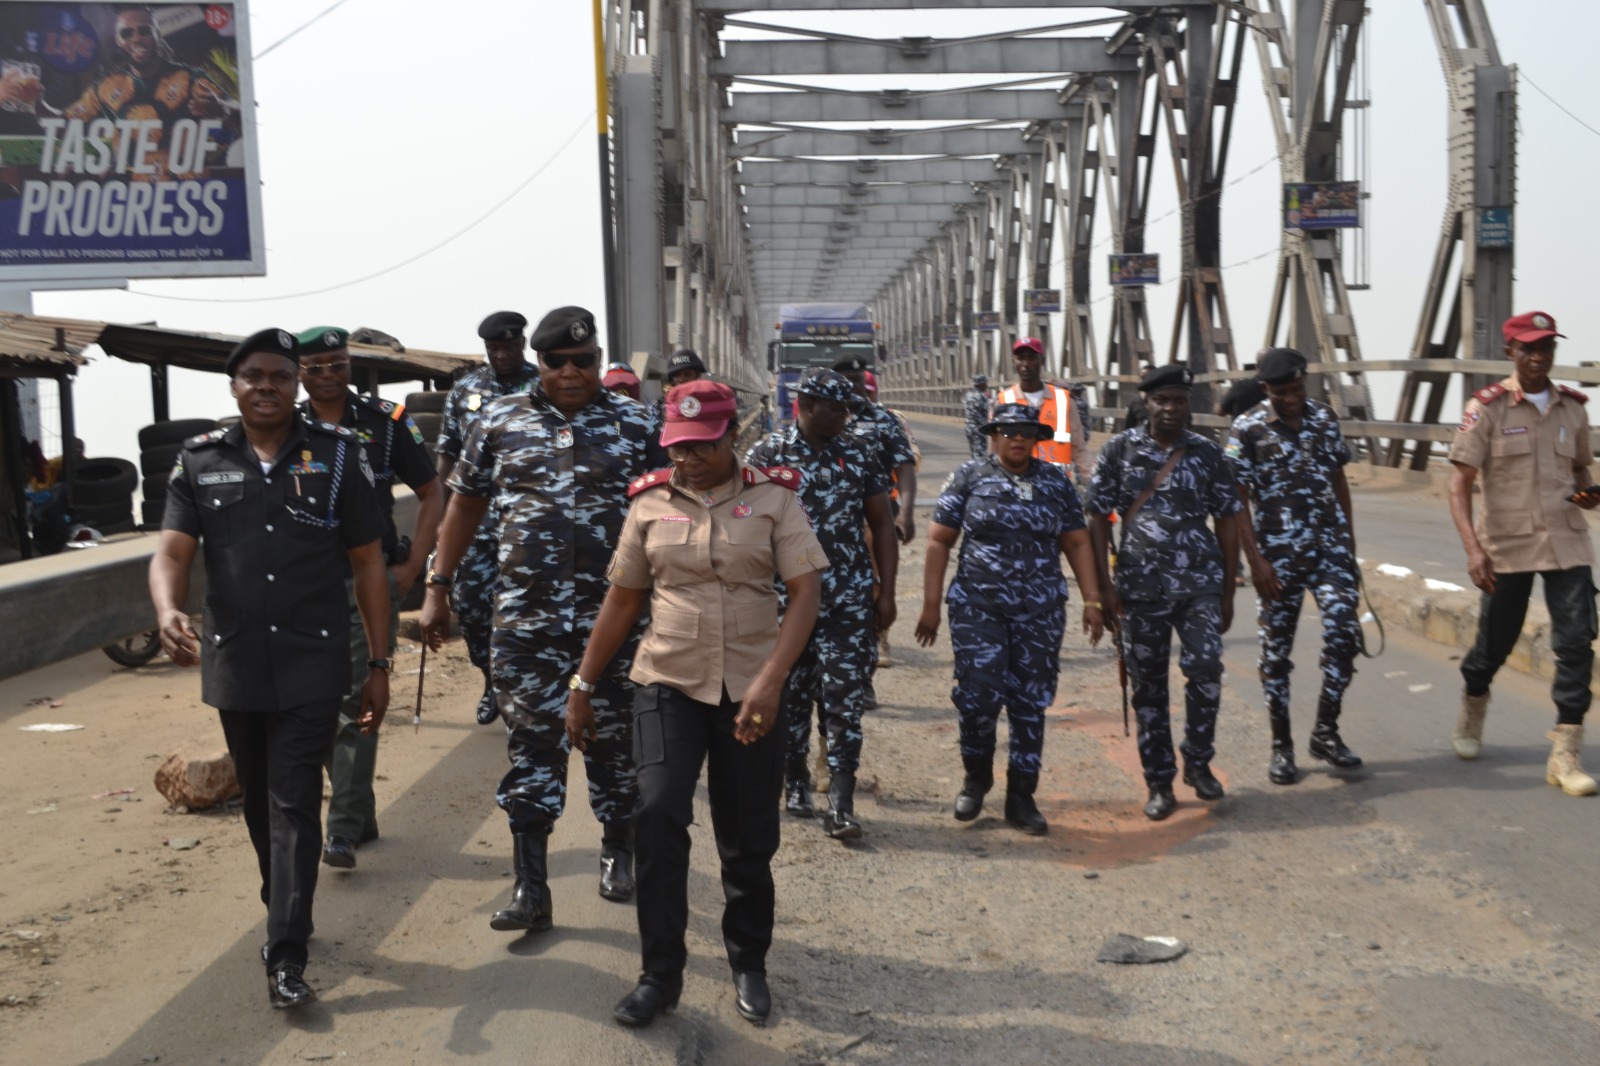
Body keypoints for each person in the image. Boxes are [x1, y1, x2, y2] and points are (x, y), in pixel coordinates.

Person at [566, 380, 826, 1028]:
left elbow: (804, 594)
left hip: (750, 688)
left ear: (731, 436)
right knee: (655, 816)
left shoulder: (775, 498)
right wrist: (582, 684)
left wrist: (770, 682)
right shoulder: (650, 504)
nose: (688, 461)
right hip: (667, 681)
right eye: (678, 449)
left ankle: (748, 962)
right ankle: (659, 976)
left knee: (747, 837)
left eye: (702, 448)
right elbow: (624, 600)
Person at [149, 328, 390, 1009]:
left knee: (292, 804)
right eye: (252, 375)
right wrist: (167, 610)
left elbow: (369, 562)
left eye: (279, 376)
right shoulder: (199, 461)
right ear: (234, 385)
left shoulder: (339, 459)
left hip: (314, 661)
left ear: (297, 386)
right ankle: (285, 902)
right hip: (236, 665)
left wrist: (378, 661)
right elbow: (171, 552)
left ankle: (285, 953)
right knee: (258, 805)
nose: (266, 386)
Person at [421, 305, 663, 933]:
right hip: (525, 620)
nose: (572, 372)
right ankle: (532, 887)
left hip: (615, 622)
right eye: (558, 362)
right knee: (531, 748)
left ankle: (617, 849)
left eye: (585, 361)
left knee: (615, 744)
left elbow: (674, 514)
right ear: (539, 361)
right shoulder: (499, 421)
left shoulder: (637, 425)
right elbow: (465, 506)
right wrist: (438, 586)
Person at [916, 403, 1105, 834]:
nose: (1016, 438)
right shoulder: (969, 477)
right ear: (994, 436)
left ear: (1037, 438)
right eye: (1007, 431)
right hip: (978, 607)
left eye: (1025, 431)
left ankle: (1022, 796)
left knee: (1029, 703)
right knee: (978, 697)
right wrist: (930, 606)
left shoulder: (1056, 483)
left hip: (1039, 611)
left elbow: (1076, 543)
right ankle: (976, 777)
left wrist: (1092, 601)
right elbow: (938, 541)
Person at [295, 326, 442, 868]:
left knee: (358, 694)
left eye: (338, 364)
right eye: (316, 367)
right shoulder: (286, 428)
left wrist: (413, 563)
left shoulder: (386, 421)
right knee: (313, 700)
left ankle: (341, 830)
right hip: (306, 584)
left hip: (367, 581)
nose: (329, 375)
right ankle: (361, 811)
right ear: (300, 374)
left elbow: (433, 491)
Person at [1447, 311, 1600, 796]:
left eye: (1547, 348)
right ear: (1511, 352)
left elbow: (1580, 470)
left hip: (1567, 541)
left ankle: (1565, 754)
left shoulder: (1574, 409)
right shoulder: (1487, 408)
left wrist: (1588, 491)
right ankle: (1473, 703)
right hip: (1507, 547)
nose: (1539, 357)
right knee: (1495, 643)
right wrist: (1473, 550)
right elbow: (1459, 485)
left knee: (1576, 643)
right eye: (1530, 348)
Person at [1087, 364, 1242, 821]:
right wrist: (1102, 588)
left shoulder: (1207, 455)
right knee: (1148, 686)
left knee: (1206, 669)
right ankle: (1159, 782)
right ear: (1147, 403)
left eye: (1180, 401)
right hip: (1139, 588)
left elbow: (1228, 519)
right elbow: (1096, 518)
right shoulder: (1118, 451)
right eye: (1163, 401)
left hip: (1200, 585)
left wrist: (1229, 588)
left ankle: (1198, 760)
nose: (1172, 409)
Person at [747, 368, 896, 839]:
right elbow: (742, 523)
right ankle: (795, 781)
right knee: (788, 696)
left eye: (848, 408)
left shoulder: (860, 452)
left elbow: (883, 522)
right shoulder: (767, 454)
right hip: (784, 601)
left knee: (843, 699)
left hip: (847, 598)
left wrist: (886, 589)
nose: (845, 417)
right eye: (837, 409)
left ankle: (842, 802)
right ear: (807, 406)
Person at [1227, 348, 1363, 786]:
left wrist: (1349, 544)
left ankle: (1325, 731)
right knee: (1275, 654)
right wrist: (1255, 560)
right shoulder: (1246, 429)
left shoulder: (1324, 419)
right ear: (1265, 389)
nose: (1291, 399)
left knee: (1344, 634)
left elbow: (1338, 478)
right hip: (1277, 559)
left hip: (1329, 551)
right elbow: (1236, 500)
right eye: (1281, 392)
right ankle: (1281, 745)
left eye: (1297, 389)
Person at [435, 311, 538, 725]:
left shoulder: (543, 385)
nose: (502, 355)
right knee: (472, 606)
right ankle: (491, 679)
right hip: (475, 521)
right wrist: (445, 513)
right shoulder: (465, 390)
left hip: (527, 518)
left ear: (522, 345)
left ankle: (529, 687)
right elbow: (447, 450)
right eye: (494, 349)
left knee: (532, 607)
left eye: (509, 347)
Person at [62, 5, 231, 177]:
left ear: (157, 34)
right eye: (127, 33)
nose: (136, 39)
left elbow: (239, 111)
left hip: (185, 193)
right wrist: (36, 104)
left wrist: (222, 108)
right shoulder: (106, 86)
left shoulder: (190, 78)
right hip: (128, 196)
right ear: (118, 41)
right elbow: (63, 121)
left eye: (144, 31)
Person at [833, 354, 918, 544]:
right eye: (848, 380)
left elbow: (904, 467)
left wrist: (906, 513)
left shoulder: (886, 420)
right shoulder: (823, 419)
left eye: (858, 380)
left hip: (879, 516)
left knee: (877, 572)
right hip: (832, 518)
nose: (854, 386)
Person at [995, 337, 1084, 482]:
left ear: (1042, 360)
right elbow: (993, 452)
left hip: (1056, 487)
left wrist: (1095, 484)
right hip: (1015, 489)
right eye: (1020, 358)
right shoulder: (1003, 400)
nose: (1025, 364)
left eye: (1032, 358)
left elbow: (1079, 450)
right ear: (1013, 361)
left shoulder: (1064, 400)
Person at [651, 349, 707, 424]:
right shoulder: (659, 405)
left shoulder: (708, 400)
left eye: (687, 375)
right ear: (671, 380)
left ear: (697, 377)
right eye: (676, 375)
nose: (681, 379)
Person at [962, 374, 991, 459]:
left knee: (973, 452)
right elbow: (987, 411)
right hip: (979, 428)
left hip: (969, 428)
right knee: (980, 454)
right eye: (985, 383)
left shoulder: (967, 395)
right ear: (980, 384)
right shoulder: (982, 396)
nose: (987, 385)